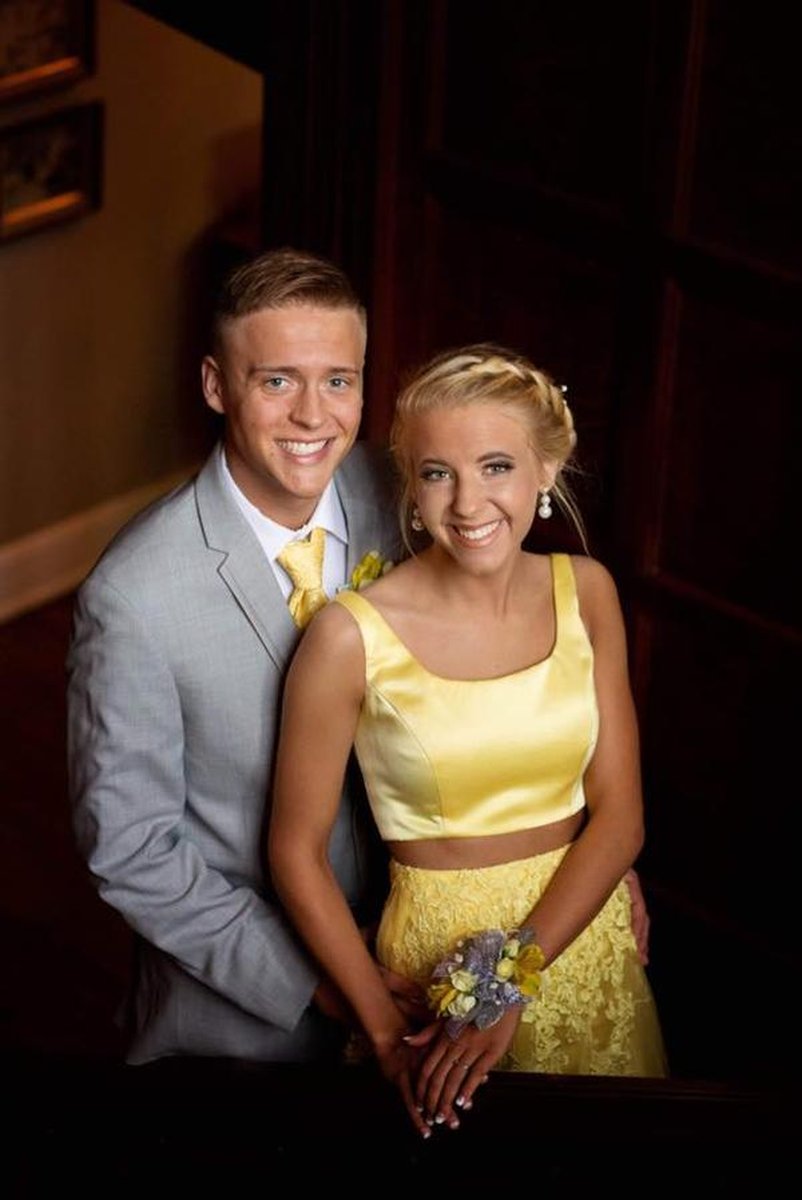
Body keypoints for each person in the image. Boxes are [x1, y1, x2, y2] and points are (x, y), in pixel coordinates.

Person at [268, 343, 668, 1139]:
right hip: (430, 960)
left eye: (496, 466)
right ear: (409, 489)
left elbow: (620, 816)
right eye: (437, 473)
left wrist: (509, 987)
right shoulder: (351, 637)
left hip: (580, 933)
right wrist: (383, 1025)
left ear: (547, 469)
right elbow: (293, 851)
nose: (468, 501)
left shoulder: (587, 593)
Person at [66, 246, 405, 1065]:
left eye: (339, 379)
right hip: (244, 1025)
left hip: (422, 956)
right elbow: (133, 852)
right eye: (277, 380)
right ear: (218, 386)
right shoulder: (133, 596)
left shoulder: (402, 502)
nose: (314, 415)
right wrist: (320, 979)